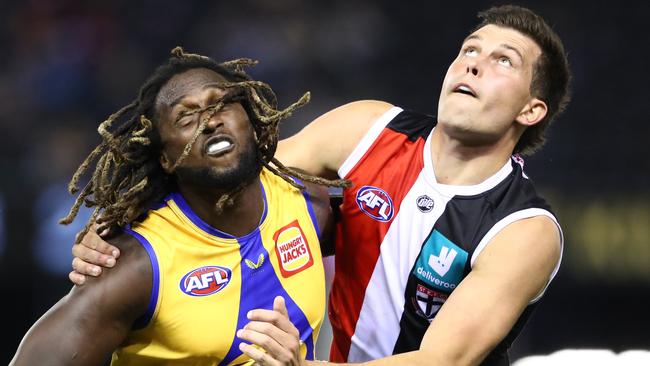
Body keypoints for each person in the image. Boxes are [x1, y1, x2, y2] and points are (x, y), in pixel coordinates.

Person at [70, 5, 571, 366]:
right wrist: (121, 220)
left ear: (531, 110)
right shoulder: (366, 127)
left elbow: (441, 360)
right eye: (469, 49)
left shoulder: (524, 230)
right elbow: (231, 182)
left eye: (503, 60)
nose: (473, 63)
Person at [10, 48, 348, 365]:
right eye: (186, 117)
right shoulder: (135, 267)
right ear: (166, 159)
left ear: (251, 118)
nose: (210, 121)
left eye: (222, 104)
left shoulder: (311, 207)